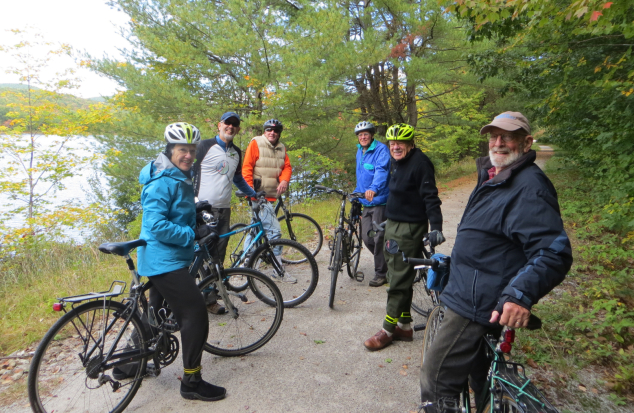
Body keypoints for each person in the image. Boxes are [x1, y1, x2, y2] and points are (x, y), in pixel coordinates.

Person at [418, 112, 573, 412]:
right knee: (481, 376)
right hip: (474, 288)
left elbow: (553, 252)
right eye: (493, 135)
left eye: (508, 136)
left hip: (477, 304)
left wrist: (519, 294)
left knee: (436, 378)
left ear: (526, 142)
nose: (498, 143)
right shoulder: (495, 173)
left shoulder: (529, 187)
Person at [136, 122, 226, 402]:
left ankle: (130, 363)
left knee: (155, 314)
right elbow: (156, 225)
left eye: (191, 150)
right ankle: (191, 381)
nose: (188, 155)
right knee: (195, 314)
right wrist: (191, 233)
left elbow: (174, 210)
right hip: (165, 260)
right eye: (181, 150)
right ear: (169, 150)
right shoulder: (163, 180)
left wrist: (194, 212)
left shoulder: (177, 175)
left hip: (163, 258)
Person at [364, 123, 445, 351]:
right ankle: (405, 326)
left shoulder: (421, 164)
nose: (396, 147)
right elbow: (399, 194)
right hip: (394, 225)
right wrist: (388, 219)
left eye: (400, 143)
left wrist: (436, 226)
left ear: (411, 144)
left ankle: (387, 330)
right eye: (392, 143)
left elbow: (431, 197)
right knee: (397, 274)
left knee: (398, 280)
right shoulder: (396, 162)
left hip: (410, 229)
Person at [193, 112, 257, 275]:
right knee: (204, 252)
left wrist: (253, 194)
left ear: (238, 129)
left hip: (224, 209)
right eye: (227, 123)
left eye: (234, 124)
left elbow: (238, 179)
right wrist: (191, 200)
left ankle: (213, 289)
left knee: (219, 251)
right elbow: (187, 173)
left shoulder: (236, 152)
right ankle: (199, 289)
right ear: (219, 125)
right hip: (204, 209)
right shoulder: (204, 146)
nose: (231, 127)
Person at [241, 119, 295, 282]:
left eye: (275, 130)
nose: (272, 133)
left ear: (279, 133)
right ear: (264, 131)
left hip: (271, 195)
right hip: (258, 195)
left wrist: (285, 180)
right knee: (275, 231)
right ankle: (278, 270)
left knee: (256, 228)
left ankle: (246, 263)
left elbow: (287, 167)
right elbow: (247, 168)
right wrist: (251, 193)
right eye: (269, 130)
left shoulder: (281, 148)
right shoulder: (256, 143)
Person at [352, 121, 391, 287]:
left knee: (378, 238)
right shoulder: (360, 151)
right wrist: (355, 195)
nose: (363, 137)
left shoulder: (381, 150)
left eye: (366, 134)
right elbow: (361, 177)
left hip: (379, 200)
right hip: (365, 202)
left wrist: (374, 189)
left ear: (372, 135)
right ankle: (388, 262)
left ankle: (382, 273)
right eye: (360, 135)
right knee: (366, 236)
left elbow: (381, 171)